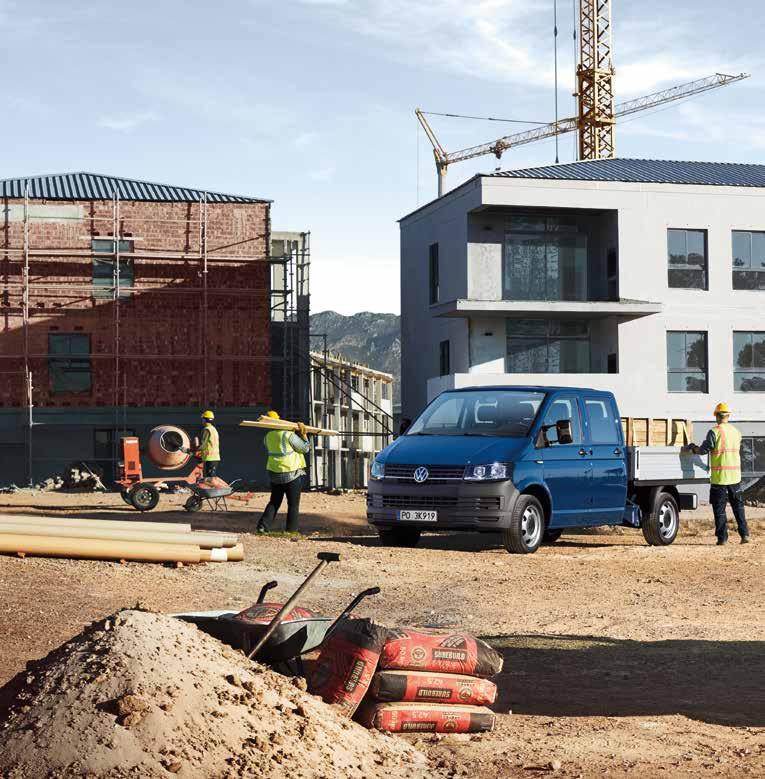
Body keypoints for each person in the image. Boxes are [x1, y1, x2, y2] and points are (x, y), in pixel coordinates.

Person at [688, 403, 751, 545]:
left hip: (720, 479)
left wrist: (693, 448)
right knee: (738, 508)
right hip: (735, 477)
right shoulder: (736, 432)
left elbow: (704, 450)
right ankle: (745, 535)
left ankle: (722, 539)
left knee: (719, 510)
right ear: (728, 416)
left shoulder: (714, 432)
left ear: (716, 416)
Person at [257, 410, 311, 533]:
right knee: (293, 504)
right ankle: (291, 530)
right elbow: (305, 449)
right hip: (291, 473)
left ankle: (263, 526)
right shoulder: (288, 435)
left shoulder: (267, 437)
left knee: (274, 501)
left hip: (274, 474)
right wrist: (303, 435)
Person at [196, 409, 220, 478]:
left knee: (210, 478)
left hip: (209, 457)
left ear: (205, 420)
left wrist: (191, 450)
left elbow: (203, 445)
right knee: (211, 476)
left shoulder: (206, 430)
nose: (202, 421)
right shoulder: (213, 429)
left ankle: (213, 489)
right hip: (215, 457)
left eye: (203, 419)